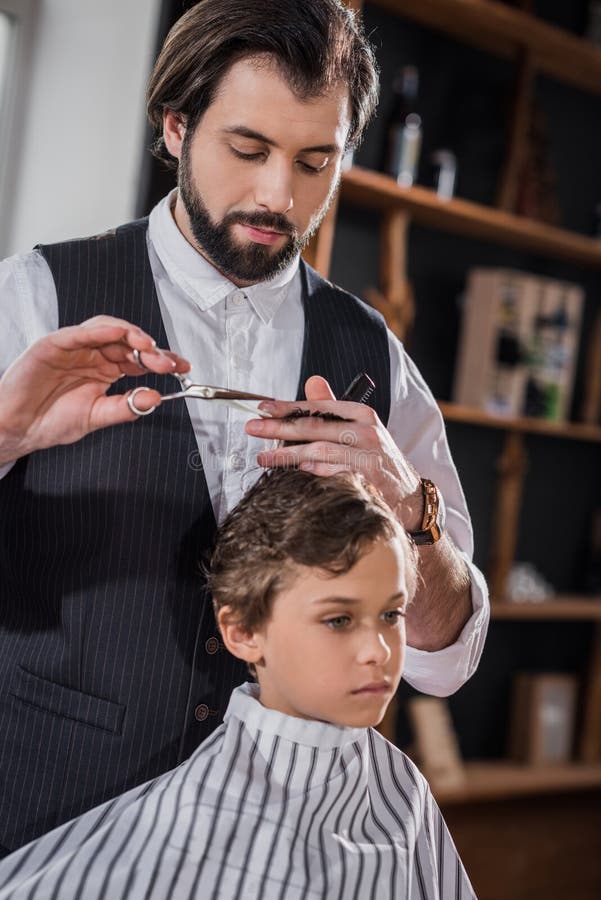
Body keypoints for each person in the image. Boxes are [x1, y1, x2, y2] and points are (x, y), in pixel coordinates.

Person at [0, 0, 488, 854]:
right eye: (249, 149)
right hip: (45, 821)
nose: (278, 194)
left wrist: (410, 511)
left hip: (271, 847)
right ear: (176, 126)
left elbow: (447, 654)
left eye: (314, 161)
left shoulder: (374, 355)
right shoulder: (31, 299)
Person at [0, 469, 476, 899]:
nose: (378, 649)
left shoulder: (404, 790)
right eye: (338, 619)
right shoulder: (184, 818)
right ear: (244, 632)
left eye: (391, 614)